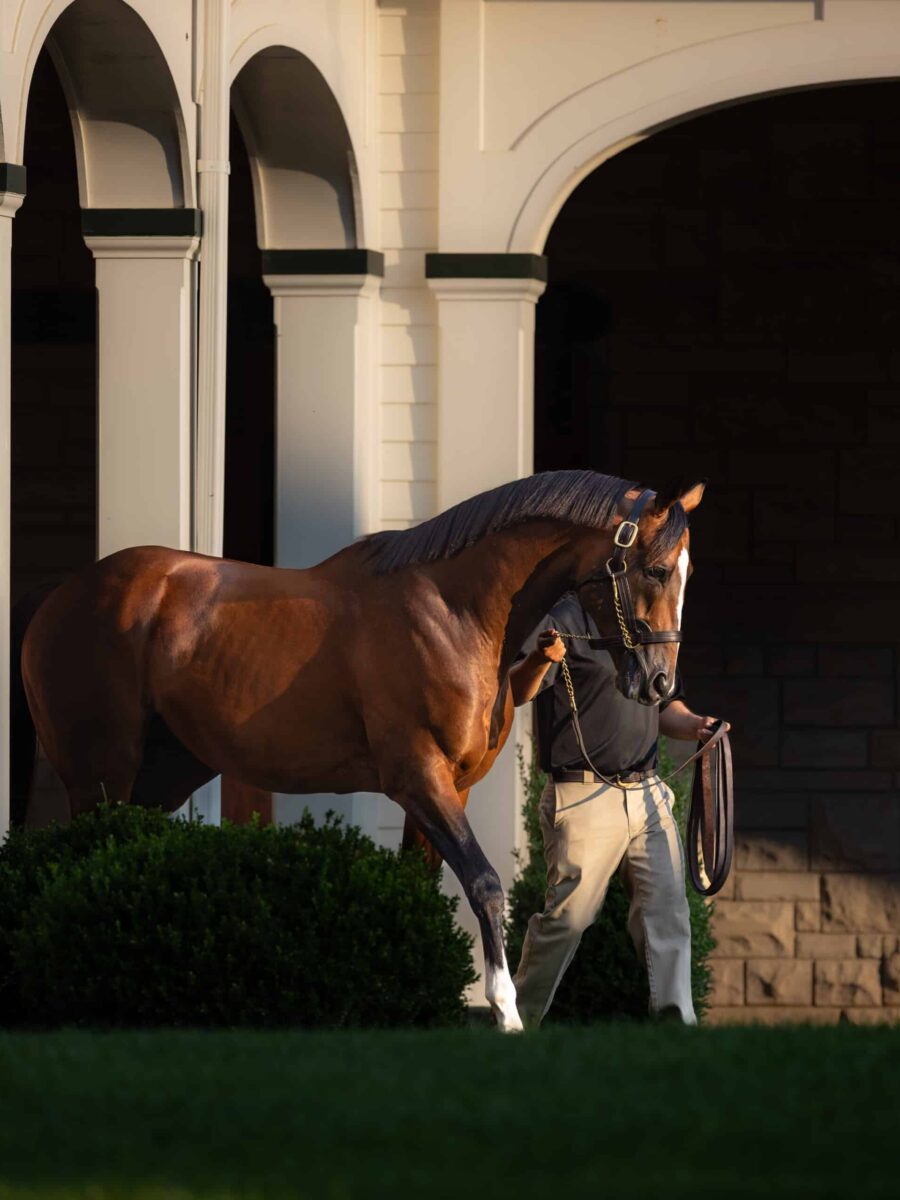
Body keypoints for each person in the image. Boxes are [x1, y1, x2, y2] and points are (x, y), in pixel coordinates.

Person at [509, 587, 728, 1027]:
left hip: (647, 793)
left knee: (668, 913)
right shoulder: (566, 615)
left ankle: (676, 1030)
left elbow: (664, 706)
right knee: (568, 920)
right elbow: (516, 691)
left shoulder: (648, 623)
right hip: (584, 795)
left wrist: (698, 727)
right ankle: (515, 1023)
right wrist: (540, 658)